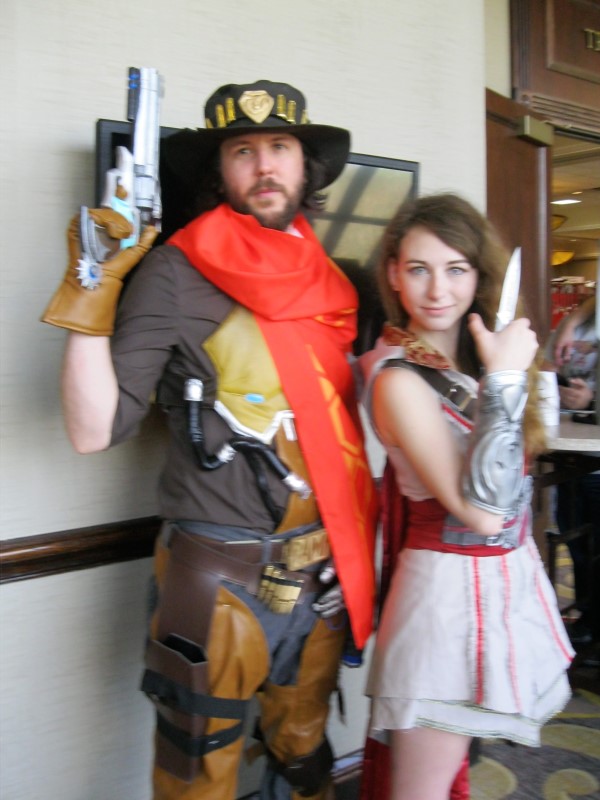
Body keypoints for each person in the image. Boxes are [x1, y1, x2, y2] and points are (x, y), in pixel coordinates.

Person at [41, 79, 378, 800]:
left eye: (280, 146)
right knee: (197, 775)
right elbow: (93, 428)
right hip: (217, 579)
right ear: (220, 172)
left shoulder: (334, 282)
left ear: (307, 166)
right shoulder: (175, 271)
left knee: (304, 758)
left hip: (319, 570)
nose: (265, 165)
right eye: (242, 151)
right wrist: (91, 284)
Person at [358, 193, 574, 800]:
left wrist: (506, 373)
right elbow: (480, 512)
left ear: (479, 275)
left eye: (455, 269)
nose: (437, 289)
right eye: (419, 269)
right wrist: (504, 378)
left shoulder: (477, 360)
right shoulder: (396, 377)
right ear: (393, 274)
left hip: (505, 584)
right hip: (443, 601)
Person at [544, 296, 598, 647]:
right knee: (575, 543)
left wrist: (591, 400)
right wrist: (558, 390)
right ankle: (586, 621)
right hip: (571, 457)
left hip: (594, 460)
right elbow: (547, 368)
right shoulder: (574, 324)